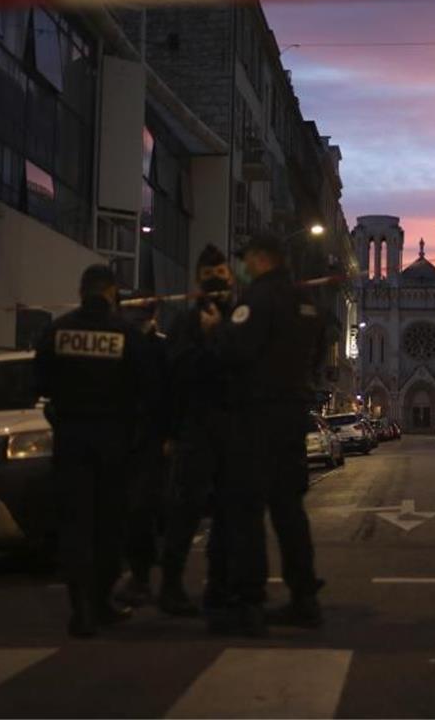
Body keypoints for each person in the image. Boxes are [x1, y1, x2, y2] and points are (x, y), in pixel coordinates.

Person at [199, 232, 327, 636]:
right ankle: (304, 597)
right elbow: (319, 354)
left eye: (246, 260)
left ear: (259, 259)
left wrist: (215, 328)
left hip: (256, 418)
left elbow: (234, 351)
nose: (243, 267)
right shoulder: (306, 302)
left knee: (246, 510)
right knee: (289, 509)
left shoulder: (257, 299)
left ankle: (249, 602)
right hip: (293, 416)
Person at [34, 265, 152, 638]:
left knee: (75, 526)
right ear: (111, 291)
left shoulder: (56, 331)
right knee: (107, 525)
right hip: (113, 443)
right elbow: (144, 387)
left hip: (71, 440)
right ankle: (100, 602)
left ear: (82, 289)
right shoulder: (125, 334)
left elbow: (40, 384)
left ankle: (80, 608)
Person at [158, 245, 238, 617]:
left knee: (226, 515)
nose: (217, 280)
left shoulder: (239, 319)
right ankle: (171, 586)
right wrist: (172, 433)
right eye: (210, 274)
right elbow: (177, 377)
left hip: (229, 431)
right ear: (198, 280)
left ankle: (219, 587)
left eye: (221, 272)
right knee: (186, 512)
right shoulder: (187, 324)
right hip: (196, 430)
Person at [116, 292, 171, 608]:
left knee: (140, 507)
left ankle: (140, 574)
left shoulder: (157, 349)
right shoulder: (130, 346)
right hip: (131, 438)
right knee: (133, 508)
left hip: (144, 439)